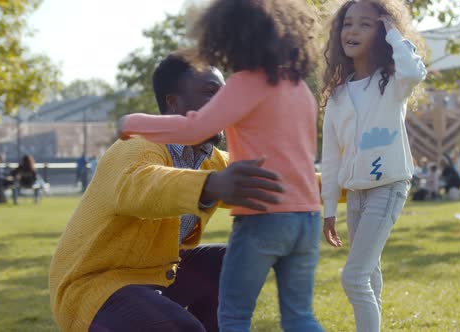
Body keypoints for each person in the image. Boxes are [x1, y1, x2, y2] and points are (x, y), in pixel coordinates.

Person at [118, 1, 322, 331]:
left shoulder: (245, 83)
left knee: (234, 316)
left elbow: (193, 128)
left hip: (263, 219)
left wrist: (132, 122)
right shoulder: (299, 89)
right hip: (307, 219)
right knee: (300, 316)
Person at [49, 52, 285, 332]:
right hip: (95, 287)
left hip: (156, 277)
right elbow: (140, 186)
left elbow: (284, 179)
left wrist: (344, 183)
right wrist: (210, 184)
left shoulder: (209, 159)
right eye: (211, 93)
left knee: (233, 261)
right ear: (174, 103)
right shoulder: (138, 145)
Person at [320, 1, 427, 331]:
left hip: (389, 186)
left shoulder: (393, 82)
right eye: (347, 24)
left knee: (354, 278)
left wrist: (393, 32)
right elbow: (332, 156)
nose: (351, 31)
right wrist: (328, 210)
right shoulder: (337, 95)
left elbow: (414, 70)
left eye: (365, 24)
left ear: (380, 32)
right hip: (356, 195)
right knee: (370, 275)